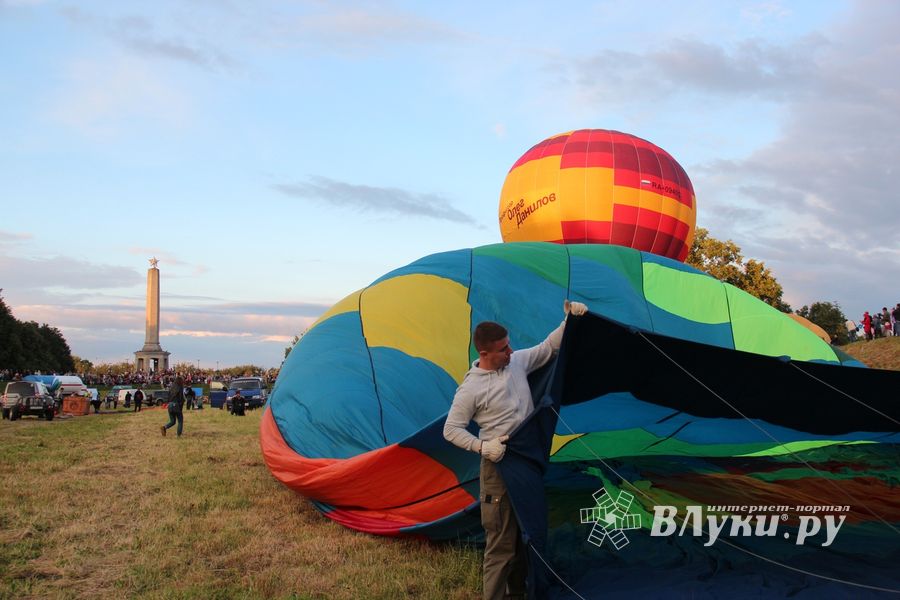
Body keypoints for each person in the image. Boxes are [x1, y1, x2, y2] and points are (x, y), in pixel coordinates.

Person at [443, 299, 588, 600]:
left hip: (527, 462)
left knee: (529, 535)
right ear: (484, 353)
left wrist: (569, 322)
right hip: (499, 466)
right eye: (503, 349)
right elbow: (451, 430)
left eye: (509, 346)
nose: (510, 351)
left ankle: (521, 592)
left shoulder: (517, 362)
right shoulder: (470, 389)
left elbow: (548, 348)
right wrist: (483, 447)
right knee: (501, 544)